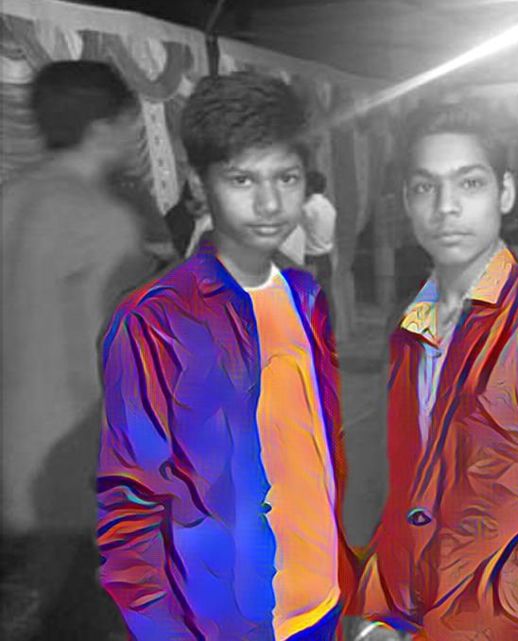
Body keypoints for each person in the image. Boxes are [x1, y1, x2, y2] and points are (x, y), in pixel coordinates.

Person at [96, 71, 357, 640]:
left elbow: (315, 453)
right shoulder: (157, 320)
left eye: (286, 177)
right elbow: (131, 505)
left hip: (320, 603)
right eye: (242, 179)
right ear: (199, 183)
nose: (270, 203)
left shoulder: (305, 296)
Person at [353, 106, 518, 641]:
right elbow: (406, 489)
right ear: (407, 201)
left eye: (469, 183)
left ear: (504, 193)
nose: (446, 206)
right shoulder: (408, 325)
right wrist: (380, 615)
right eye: (425, 187)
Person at [1, 60, 152, 638]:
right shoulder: (103, 222)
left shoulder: (9, 201)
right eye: (129, 121)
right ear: (103, 127)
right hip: (72, 479)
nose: (133, 134)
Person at [302, 170, 337, 294]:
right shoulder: (330, 207)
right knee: (327, 297)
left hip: (311, 259)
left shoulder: (307, 208)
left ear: (310, 187)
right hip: (326, 258)